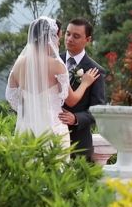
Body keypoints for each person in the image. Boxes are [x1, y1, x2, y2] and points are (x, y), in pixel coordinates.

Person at [5, 16, 99, 151]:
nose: (60, 43)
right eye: (59, 37)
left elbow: (13, 100)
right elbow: (71, 100)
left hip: (26, 129)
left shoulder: (19, 64)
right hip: (53, 131)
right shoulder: (56, 66)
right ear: (51, 37)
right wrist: (85, 83)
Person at [58, 18, 106, 161]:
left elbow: (99, 110)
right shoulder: (53, 62)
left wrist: (76, 118)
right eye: (67, 34)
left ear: (88, 39)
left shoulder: (96, 70)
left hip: (78, 143)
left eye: (76, 36)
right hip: (50, 136)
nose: (69, 39)